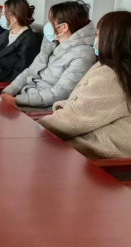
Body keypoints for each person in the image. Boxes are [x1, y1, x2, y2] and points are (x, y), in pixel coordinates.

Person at [38, 11, 131, 160]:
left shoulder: (112, 75)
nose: (95, 40)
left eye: (98, 35)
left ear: (111, 40)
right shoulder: (116, 69)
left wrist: (33, 131)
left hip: (98, 158)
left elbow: (73, 119)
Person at [1, 0, 97, 111]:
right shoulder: (51, 42)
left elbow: (60, 93)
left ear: (63, 27)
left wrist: (17, 100)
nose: (48, 25)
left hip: (42, 109)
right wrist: (9, 91)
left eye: (51, 22)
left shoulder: (84, 54)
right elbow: (30, 71)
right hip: (25, 97)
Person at [0, 0, 42, 83]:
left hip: (5, 83)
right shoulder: (6, 34)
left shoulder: (30, 40)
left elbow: (22, 73)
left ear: (14, 18)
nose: (1, 17)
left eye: (3, 14)